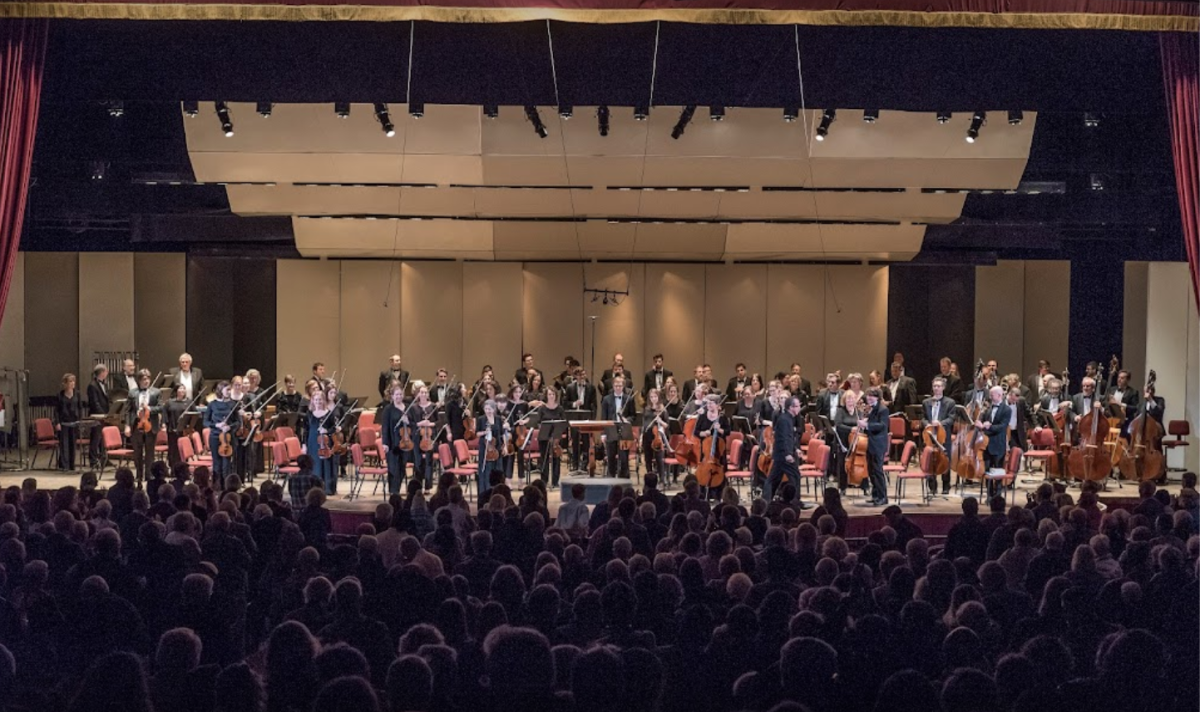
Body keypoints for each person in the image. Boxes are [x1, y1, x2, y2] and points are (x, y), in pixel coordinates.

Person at [763, 396, 803, 503]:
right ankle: (795, 501)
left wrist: (795, 449)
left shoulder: (788, 418)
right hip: (783, 455)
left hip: (781, 455)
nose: (799, 408)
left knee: (773, 478)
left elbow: (789, 437)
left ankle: (766, 499)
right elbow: (783, 438)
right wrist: (788, 454)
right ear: (791, 407)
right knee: (795, 475)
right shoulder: (785, 420)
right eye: (798, 406)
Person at [921, 377, 957, 496]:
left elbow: (951, 418)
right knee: (930, 459)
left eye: (939, 386)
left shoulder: (950, 402)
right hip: (929, 435)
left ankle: (946, 486)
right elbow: (923, 418)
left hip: (943, 434)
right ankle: (932, 487)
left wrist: (940, 423)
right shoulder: (926, 402)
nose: (936, 388)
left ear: (943, 388)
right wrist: (928, 424)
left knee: (945, 459)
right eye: (935, 386)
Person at [125, 370, 161, 487]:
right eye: (143, 379)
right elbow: (127, 411)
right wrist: (127, 425)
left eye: (147, 379)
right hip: (137, 425)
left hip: (151, 425)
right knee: (137, 452)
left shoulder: (156, 392)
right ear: (139, 380)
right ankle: (139, 475)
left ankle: (149, 474)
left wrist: (150, 409)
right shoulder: (132, 393)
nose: (146, 381)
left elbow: (161, 407)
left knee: (150, 452)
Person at [305, 387, 342, 495]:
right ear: (312, 401)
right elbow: (306, 431)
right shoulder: (309, 414)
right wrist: (304, 444)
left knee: (326, 464)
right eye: (316, 400)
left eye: (320, 400)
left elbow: (334, 428)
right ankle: (314, 489)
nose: (318, 402)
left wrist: (327, 430)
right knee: (314, 464)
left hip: (325, 442)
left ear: (324, 400)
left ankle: (327, 489)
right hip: (312, 442)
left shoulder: (329, 413)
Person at [858, 387, 890, 506]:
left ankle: (883, 497)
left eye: (872, 396)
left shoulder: (883, 409)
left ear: (877, 397)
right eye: (868, 396)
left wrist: (866, 425)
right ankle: (875, 495)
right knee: (871, 471)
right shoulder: (871, 408)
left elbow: (882, 425)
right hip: (870, 443)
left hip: (878, 444)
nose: (869, 398)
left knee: (877, 471)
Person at [694, 397, 731, 499]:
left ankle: (718, 496)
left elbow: (728, 432)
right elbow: (696, 432)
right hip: (706, 451)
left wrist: (719, 430)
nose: (709, 405)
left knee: (720, 474)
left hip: (719, 453)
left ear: (718, 405)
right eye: (708, 403)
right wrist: (703, 433)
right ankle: (703, 495)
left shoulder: (722, 418)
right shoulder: (702, 417)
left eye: (712, 403)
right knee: (703, 472)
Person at [600, 377, 634, 478]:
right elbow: (603, 417)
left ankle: (623, 480)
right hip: (611, 430)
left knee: (624, 458)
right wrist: (603, 434)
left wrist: (627, 420)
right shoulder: (606, 399)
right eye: (616, 386)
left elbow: (633, 416)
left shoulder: (629, 399)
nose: (618, 388)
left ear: (623, 386)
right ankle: (611, 480)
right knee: (611, 457)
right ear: (613, 386)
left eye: (620, 386)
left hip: (624, 431)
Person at [379, 385, 409, 496]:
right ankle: (393, 491)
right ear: (392, 396)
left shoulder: (407, 407)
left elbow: (413, 424)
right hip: (392, 443)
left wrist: (408, 420)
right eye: (396, 394)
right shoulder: (388, 409)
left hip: (405, 442)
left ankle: (397, 490)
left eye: (401, 394)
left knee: (402, 468)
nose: (399, 397)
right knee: (393, 468)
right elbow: (385, 427)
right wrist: (385, 443)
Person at [203, 381, 237, 479]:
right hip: (215, 436)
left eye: (230, 390)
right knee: (216, 464)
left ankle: (226, 488)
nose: (229, 392)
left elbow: (238, 422)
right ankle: (217, 488)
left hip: (228, 438)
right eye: (227, 390)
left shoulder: (233, 404)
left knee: (226, 465)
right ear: (220, 390)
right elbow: (205, 422)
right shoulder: (212, 405)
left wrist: (229, 427)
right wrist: (216, 425)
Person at [406, 386, 438, 490]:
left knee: (429, 461)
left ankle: (428, 486)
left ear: (428, 394)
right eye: (421, 392)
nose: (423, 394)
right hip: (417, 436)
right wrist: (420, 423)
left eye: (425, 392)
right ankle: (418, 486)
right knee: (418, 461)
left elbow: (439, 422)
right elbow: (410, 423)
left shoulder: (433, 406)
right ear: (418, 394)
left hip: (429, 436)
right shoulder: (413, 407)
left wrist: (430, 424)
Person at [476, 400, 508, 499]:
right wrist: (484, 432)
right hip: (485, 448)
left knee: (498, 470)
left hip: (497, 448)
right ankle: (485, 492)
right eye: (486, 409)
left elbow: (502, 434)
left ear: (494, 409)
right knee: (486, 471)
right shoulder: (481, 419)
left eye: (489, 409)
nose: (488, 411)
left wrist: (505, 446)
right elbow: (477, 434)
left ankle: (498, 493)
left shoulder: (498, 419)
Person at [533, 387, 566, 486]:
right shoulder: (542, 408)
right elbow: (538, 422)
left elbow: (564, 422)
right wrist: (543, 429)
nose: (551, 396)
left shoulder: (560, 408)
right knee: (544, 459)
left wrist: (557, 433)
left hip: (556, 437)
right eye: (549, 394)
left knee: (556, 458)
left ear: (556, 396)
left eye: (553, 394)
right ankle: (544, 480)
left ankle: (555, 481)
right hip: (544, 436)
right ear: (546, 396)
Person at [55, 373, 82, 472]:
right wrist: (57, 422)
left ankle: (72, 465)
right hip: (63, 423)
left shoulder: (77, 394)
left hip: (74, 422)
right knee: (64, 445)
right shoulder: (60, 395)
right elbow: (57, 410)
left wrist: (80, 420)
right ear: (65, 383)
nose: (73, 383)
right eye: (70, 381)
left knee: (72, 444)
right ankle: (65, 466)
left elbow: (80, 408)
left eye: (73, 381)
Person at [86, 363, 111, 469]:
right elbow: (94, 402)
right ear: (101, 372)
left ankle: (102, 458)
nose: (107, 373)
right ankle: (93, 460)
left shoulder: (104, 384)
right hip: (97, 415)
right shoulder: (92, 385)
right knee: (95, 438)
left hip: (103, 415)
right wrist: (102, 414)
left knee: (102, 438)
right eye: (106, 371)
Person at [641, 388, 669, 478]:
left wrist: (660, 421)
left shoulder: (663, 410)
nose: (653, 399)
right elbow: (644, 423)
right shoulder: (647, 409)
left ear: (658, 397)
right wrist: (641, 436)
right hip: (647, 436)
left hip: (657, 437)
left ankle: (661, 479)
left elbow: (667, 425)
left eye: (655, 396)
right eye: (651, 397)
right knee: (647, 459)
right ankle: (649, 478)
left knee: (659, 459)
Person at [162, 384, 190, 470]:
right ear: (176, 390)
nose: (182, 390)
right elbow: (164, 413)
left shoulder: (189, 402)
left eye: (183, 389)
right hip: (172, 429)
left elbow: (195, 414)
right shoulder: (169, 402)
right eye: (180, 388)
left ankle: (183, 468)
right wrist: (164, 424)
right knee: (173, 450)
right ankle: (173, 469)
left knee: (183, 450)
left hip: (184, 430)